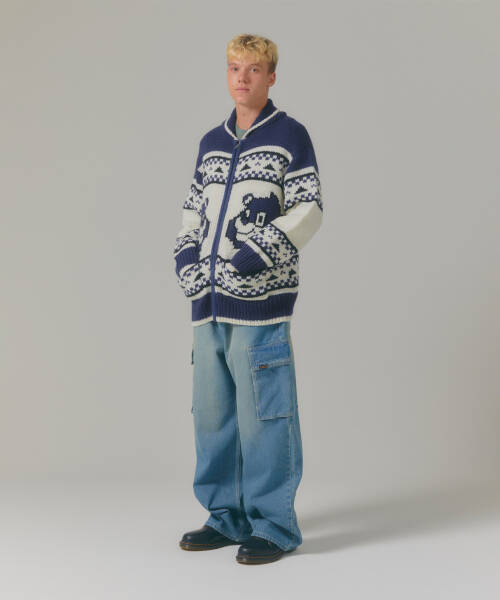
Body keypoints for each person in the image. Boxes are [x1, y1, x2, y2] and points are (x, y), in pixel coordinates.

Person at [174, 33, 323, 564]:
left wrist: (255, 253)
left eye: (254, 69)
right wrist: (186, 260)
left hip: (261, 305)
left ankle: (274, 525)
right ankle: (225, 517)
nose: (243, 78)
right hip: (208, 305)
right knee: (212, 416)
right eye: (235, 68)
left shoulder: (290, 136)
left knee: (264, 417)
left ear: (271, 77)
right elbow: (193, 211)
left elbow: (308, 208)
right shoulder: (210, 142)